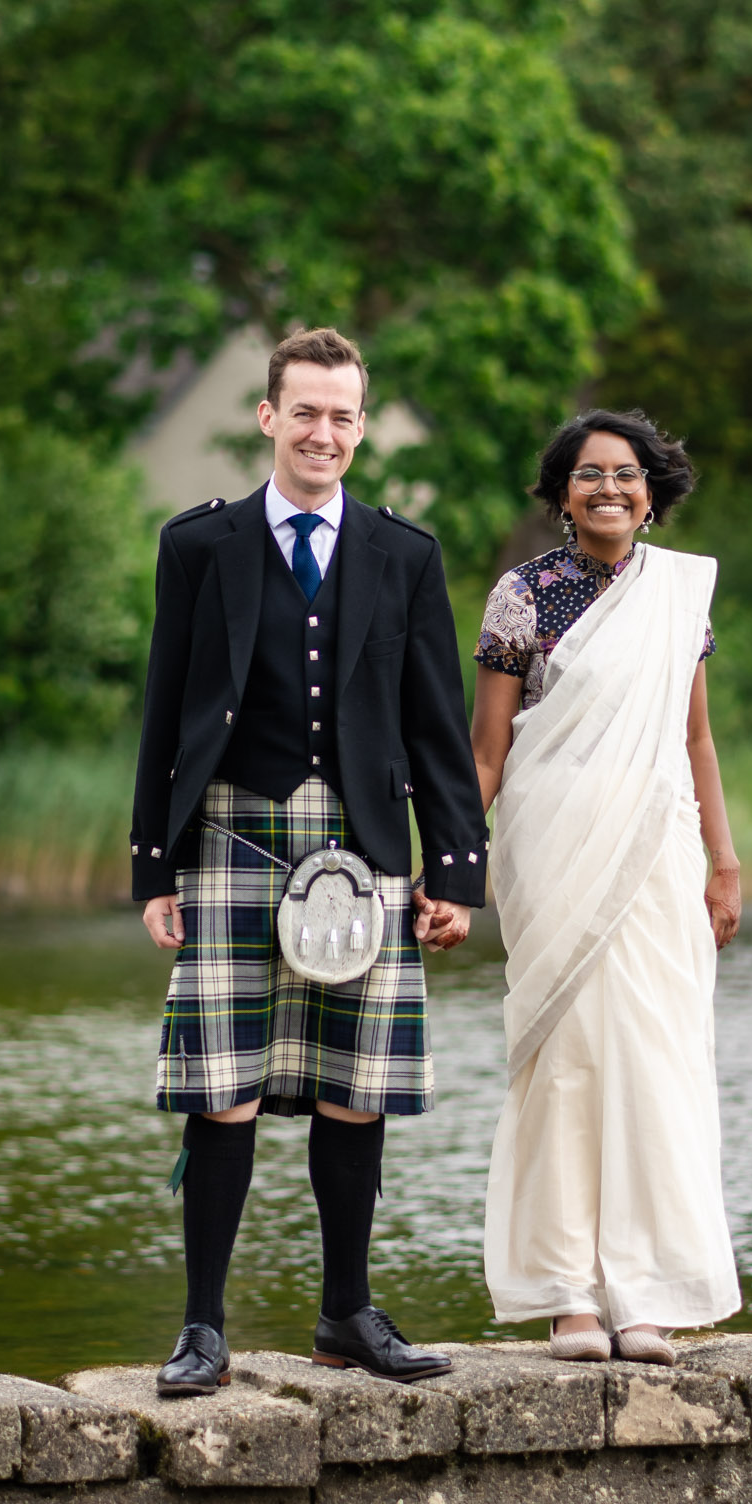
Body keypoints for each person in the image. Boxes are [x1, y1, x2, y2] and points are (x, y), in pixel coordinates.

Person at [133, 325, 487, 1396]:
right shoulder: (199, 545)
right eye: (305, 412)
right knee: (222, 1088)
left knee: (355, 1087)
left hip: (368, 846)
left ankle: (345, 1312)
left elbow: (435, 723)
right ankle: (201, 1327)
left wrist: (456, 868)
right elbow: (165, 714)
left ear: (361, 427)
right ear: (267, 417)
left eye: (341, 415)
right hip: (233, 836)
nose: (322, 432)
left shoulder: (405, 554)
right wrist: (154, 867)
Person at [470, 408, 742, 1364]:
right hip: (551, 846)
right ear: (560, 494)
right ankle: (566, 1295)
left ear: (652, 493)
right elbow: (490, 747)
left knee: (650, 1057)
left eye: (626, 475)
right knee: (570, 1059)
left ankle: (643, 1293)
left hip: (657, 850)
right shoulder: (523, 596)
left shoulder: (676, 595)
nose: (609, 490)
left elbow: (694, 737)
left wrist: (724, 860)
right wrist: (457, 857)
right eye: (589, 475)